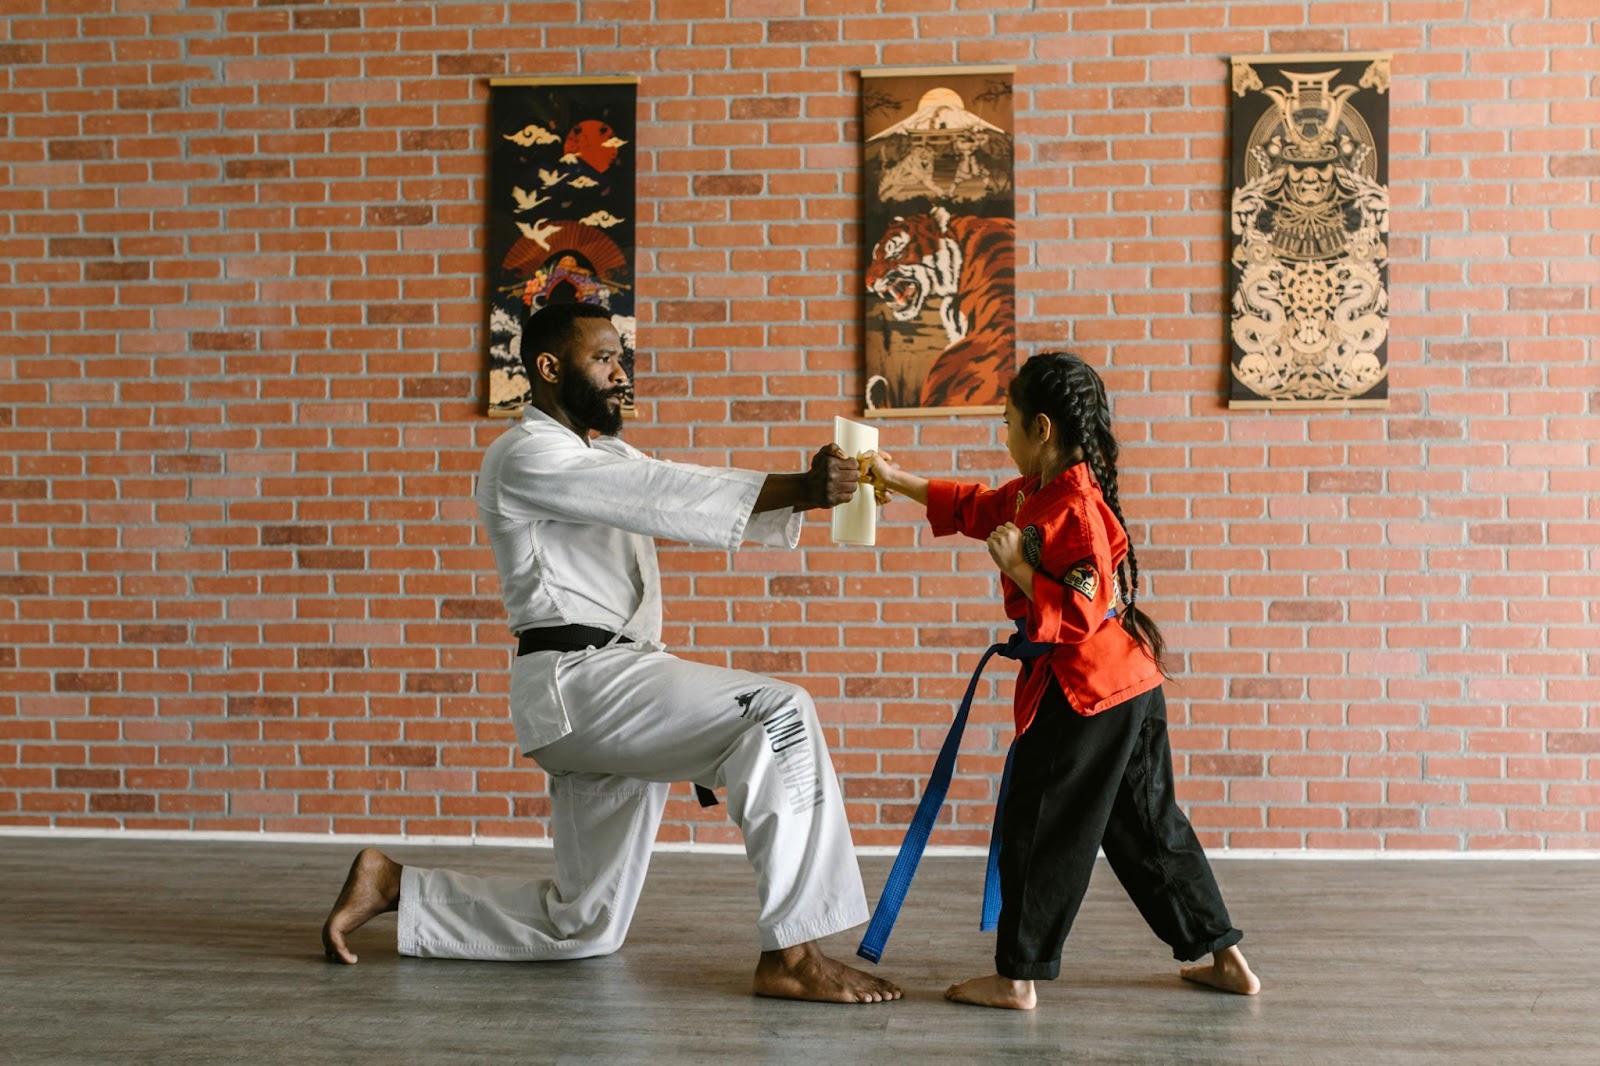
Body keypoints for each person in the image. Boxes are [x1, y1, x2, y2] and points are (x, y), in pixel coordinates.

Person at [322, 301, 902, 1005]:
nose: (620, 372)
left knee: (584, 923)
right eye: (603, 358)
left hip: (607, 690)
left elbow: (669, 487)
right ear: (547, 367)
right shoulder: (523, 453)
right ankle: (792, 954)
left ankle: (397, 887)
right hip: (583, 683)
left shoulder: (608, 454)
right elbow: (657, 495)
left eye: (620, 357)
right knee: (778, 714)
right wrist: (803, 489)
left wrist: (814, 495)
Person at [862, 351, 1259, 1010]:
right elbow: (977, 507)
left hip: (1085, 695)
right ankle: (1225, 956)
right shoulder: (1035, 492)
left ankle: (1017, 977)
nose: (1005, 436)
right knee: (1148, 831)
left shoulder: (1073, 504)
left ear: (1041, 428)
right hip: (1127, 684)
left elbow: (1079, 610)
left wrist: (1020, 570)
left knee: (1039, 824)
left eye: (1010, 424)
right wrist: (895, 479)